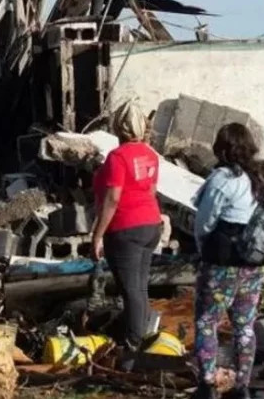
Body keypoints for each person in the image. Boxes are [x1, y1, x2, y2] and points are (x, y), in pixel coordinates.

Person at [191, 123, 264, 399]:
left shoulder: (222, 178)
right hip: (254, 265)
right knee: (245, 326)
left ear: (221, 148)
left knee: (206, 322)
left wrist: (203, 249)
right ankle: (242, 387)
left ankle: (208, 384)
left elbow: (204, 222)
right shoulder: (259, 179)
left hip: (222, 264)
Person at [90, 99, 163, 361]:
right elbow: (151, 191)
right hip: (150, 225)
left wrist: (98, 234)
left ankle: (132, 349)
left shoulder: (117, 158)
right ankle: (140, 338)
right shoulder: (150, 155)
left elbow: (112, 198)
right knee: (140, 288)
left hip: (125, 229)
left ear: (118, 126)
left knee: (130, 290)